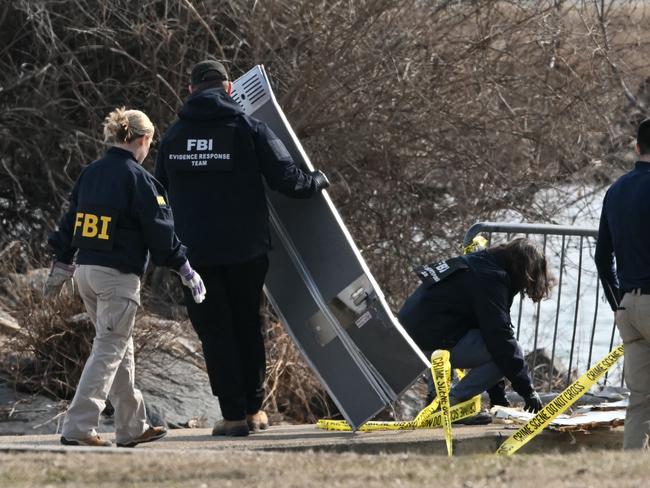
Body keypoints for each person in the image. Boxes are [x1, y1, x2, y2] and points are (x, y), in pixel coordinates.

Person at [154, 60, 330, 437]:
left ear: (190, 92)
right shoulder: (249, 128)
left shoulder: (172, 137)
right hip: (246, 251)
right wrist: (317, 180)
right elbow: (288, 180)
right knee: (248, 327)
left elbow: (158, 193)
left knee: (215, 333)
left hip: (195, 257)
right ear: (229, 89)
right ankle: (254, 410)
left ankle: (232, 416)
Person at [46, 107, 206, 447]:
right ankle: (78, 426)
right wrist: (185, 267)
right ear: (144, 139)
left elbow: (71, 219)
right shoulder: (139, 180)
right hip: (117, 277)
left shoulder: (90, 173)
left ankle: (132, 427)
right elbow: (161, 233)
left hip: (85, 273)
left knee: (120, 348)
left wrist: (61, 262)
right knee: (108, 348)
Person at [398, 238, 553, 414]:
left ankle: (436, 398)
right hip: (427, 342)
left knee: (497, 348)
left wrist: (497, 395)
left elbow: (485, 329)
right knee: (514, 349)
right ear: (524, 271)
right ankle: (450, 405)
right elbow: (500, 340)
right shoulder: (491, 279)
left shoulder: (479, 263)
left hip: (407, 336)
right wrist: (528, 391)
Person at [595, 118, 650, 450]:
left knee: (640, 404)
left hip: (628, 306)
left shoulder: (614, 191)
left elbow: (603, 258)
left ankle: (631, 474)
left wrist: (618, 301)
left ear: (637, 147)